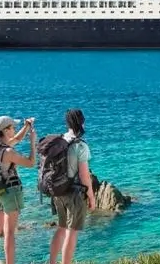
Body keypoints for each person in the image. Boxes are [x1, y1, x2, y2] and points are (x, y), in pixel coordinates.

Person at [0, 115, 36, 264]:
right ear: (6, 131)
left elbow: (17, 139)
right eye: (13, 127)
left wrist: (26, 127)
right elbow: (31, 163)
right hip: (10, 192)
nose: (14, 129)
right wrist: (32, 142)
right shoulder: (8, 152)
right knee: (10, 233)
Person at [48, 108, 97, 264]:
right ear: (82, 122)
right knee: (72, 232)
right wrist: (91, 197)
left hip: (57, 191)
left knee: (61, 228)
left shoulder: (59, 141)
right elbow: (84, 175)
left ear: (67, 123)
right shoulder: (80, 145)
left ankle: (51, 262)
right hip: (74, 194)